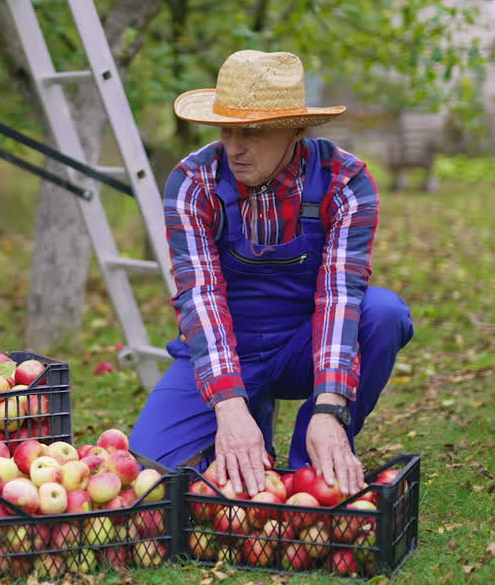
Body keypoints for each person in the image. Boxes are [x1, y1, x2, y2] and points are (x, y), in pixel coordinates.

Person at [130, 50, 414, 499]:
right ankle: (245, 431)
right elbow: (199, 297)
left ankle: (311, 465)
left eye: (254, 133)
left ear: (296, 131)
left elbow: (341, 297)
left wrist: (329, 407)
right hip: (227, 350)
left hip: (305, 346)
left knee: (382, 311)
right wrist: (229, 404)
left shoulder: (344, 180)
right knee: (146, 468)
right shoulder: (193, 181)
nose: (236, 147)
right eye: (227, 129)